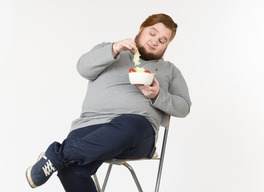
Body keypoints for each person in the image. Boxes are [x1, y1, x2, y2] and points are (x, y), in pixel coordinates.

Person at [26, 13, 191, 192]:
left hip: (137, 133)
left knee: (131, 124)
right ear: (141, 30)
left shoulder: (170, 71)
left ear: (167, 45)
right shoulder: (110, 51)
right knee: (70, 170)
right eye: (152, 33)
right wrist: (113, 49)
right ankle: (60, 157)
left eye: (162, 40)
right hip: (91, 126)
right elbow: (83, 68)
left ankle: (56, 155)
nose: (155, 41)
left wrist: (157, 95)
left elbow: (184, 107)